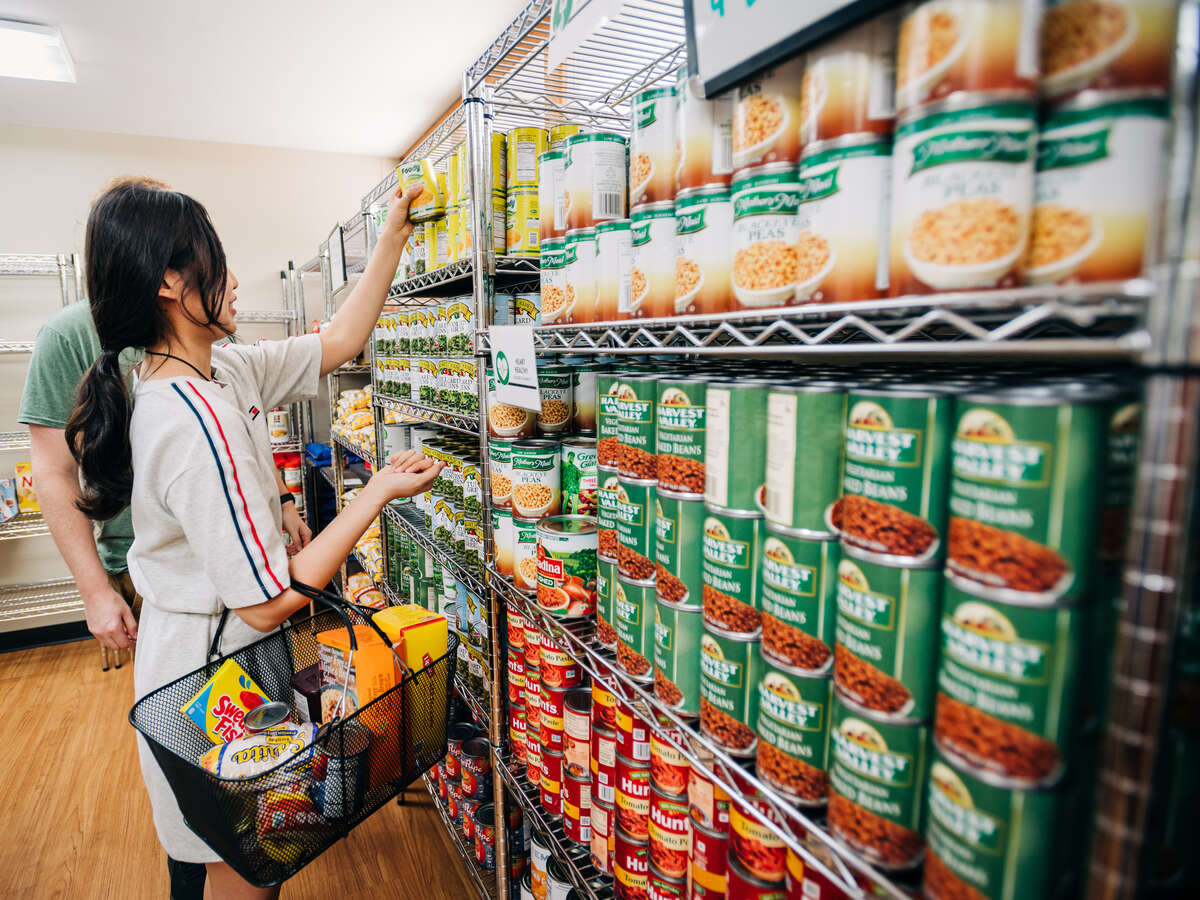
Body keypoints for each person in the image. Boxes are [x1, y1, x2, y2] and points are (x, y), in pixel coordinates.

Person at [67, 177, 438, 900]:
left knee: (238, 850)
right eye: (216, 259)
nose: (233, 278)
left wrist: (391, 237)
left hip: (217, 653)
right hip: (210, 674)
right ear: (172, 282)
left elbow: (339, 341)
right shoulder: (190, 419)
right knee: (247, 865)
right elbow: (271, 598)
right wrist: (375, 494)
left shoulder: (214, 371)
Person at [20, 176, 313, 672]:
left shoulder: (201, 340)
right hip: (162, 570)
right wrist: (94, 590)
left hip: (239, 571)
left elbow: (241, 424)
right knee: (188, 703)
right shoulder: (69, 336)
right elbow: (53, 471)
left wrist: (281, 498)